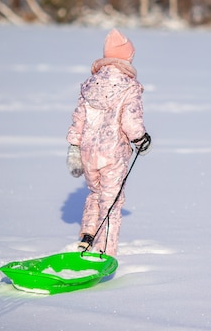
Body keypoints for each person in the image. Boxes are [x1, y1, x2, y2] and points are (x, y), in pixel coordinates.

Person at [66, 28, 151, 256]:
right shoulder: (129, 87)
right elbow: (130, 121)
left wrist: (74, 148)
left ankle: (87, 236)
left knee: (94, 194)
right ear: (127, 58)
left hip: (88, 153)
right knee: (111, 202)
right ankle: (105, 252)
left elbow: (79, 120)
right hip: (113, 155)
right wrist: (141, 139)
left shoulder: (90, 85)